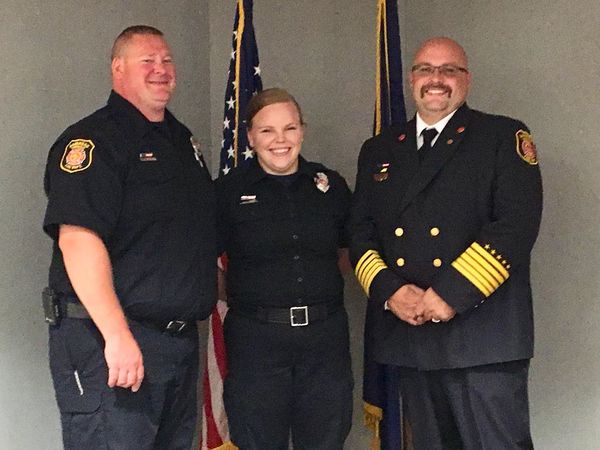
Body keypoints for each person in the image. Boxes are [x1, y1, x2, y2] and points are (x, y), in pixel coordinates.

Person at [350, 37, 542, 449]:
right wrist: (390, 291)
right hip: (412, 334)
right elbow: (361, 233)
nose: (436, 79)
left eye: (449, 70)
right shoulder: (380, 149)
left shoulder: (502, 137)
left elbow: (515, 226)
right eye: (425, 69)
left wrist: (450, 293)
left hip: (483, 337)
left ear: (466, 80)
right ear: (411, 79)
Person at [42, 25, 216, 450]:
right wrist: (118, 337)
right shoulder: (94, 143)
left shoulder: (181, 141)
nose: (161, 70)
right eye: (148, 61)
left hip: (175, 344)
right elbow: (78, 241)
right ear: (117, 69)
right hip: (111, 341)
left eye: (167, 61)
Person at [217, 88, 353, 450]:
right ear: (250, 136)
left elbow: (347, 251)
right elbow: (207, 262)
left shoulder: (330, 186)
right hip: (256, 342)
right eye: (267, 131)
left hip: (324, 340)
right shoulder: (227, 192)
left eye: (289, 128)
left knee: (326, 441)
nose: (280, 140)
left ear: (302, 131)